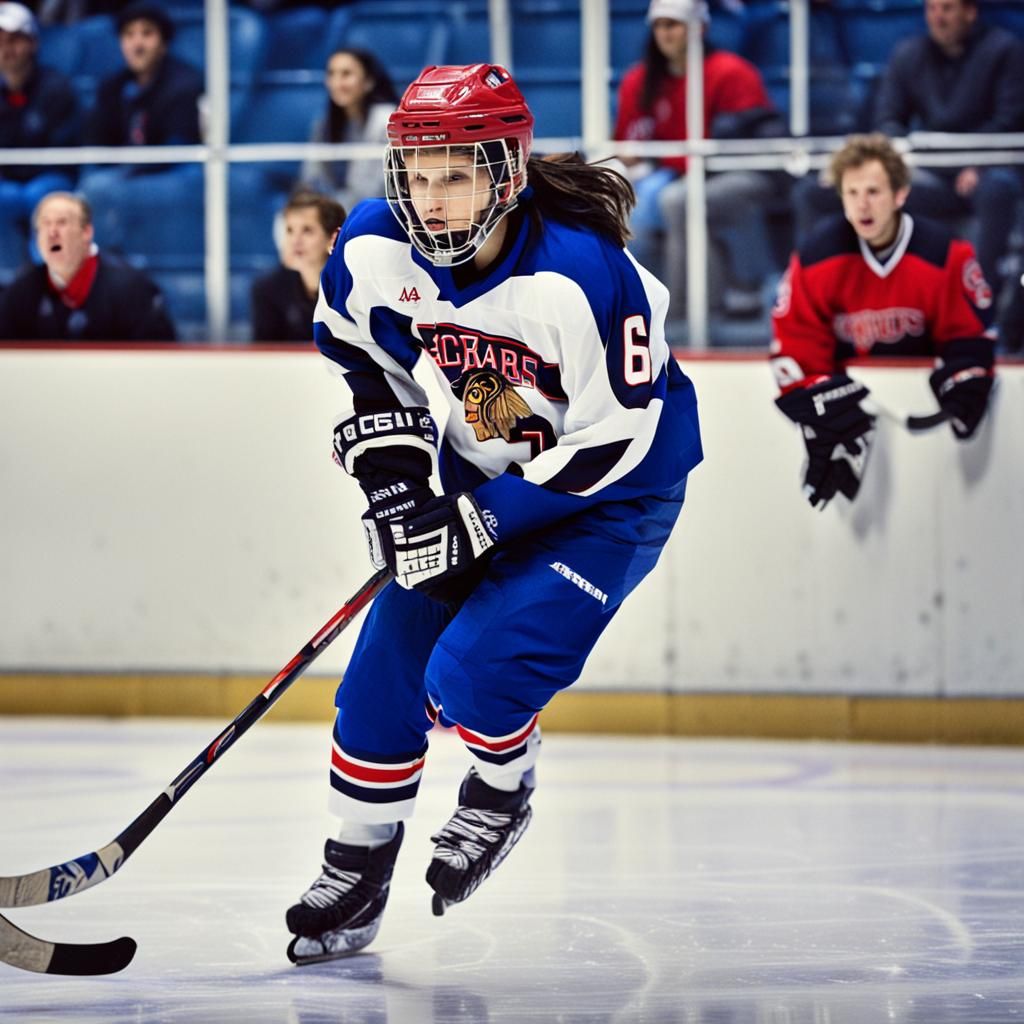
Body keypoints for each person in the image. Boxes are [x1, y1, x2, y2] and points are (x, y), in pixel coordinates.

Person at [284, 63, 703, 964]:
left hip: (609, 499)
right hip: (475, 474)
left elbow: (618, 437)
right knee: (381, 677)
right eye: (417, 174)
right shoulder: (372, 248)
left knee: (474, 675)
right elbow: (363, 362)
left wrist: (477, 522)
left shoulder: (584, 273)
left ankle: (501, 787)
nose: (430, 200)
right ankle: (356, 859)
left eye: (456, 175)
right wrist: (400, 485)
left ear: (506, 172)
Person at [771, 133, 996, 510]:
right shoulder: (816, 255)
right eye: (852, 192)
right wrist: (819, 396)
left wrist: (965, 373)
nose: (863, 204)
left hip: (931, 445)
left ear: (900, 194)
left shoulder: (944, 253)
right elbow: (794, 340)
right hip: (858, 424)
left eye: (874, 191)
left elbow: (970, 332)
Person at [793, 0, 1024, 312]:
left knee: (998, 189)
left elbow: (1010, 121)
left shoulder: (1005, 50)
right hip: (930, 165)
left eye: (947, 9)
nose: (938, 18)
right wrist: (892, 163)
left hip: (987, 165)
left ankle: (982, 307)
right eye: (932, 9)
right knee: (829, 191)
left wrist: (979, 164)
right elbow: (888, 120)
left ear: (970, 12)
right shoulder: (909, 53)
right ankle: (832, 302)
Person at [614, 0, 782, 321]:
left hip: (737, 172)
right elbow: (626, 142)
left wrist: (663, 161)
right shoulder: (639, 80)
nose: (665, 33)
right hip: (672, 174)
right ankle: (634, 311)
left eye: (673, 24)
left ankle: (689, 313)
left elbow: (744, 149)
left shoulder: (732, 72)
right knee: (630, 200)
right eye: (659, 25)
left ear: (699, 28)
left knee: (677, 200)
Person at [0, 190, 176, 340]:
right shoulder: (22, 289)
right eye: (45, 224)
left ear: (86, 232)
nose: (52, 232)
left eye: (62, 222)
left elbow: (158, 355)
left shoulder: (130, 287)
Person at [0, 2, 80, 269]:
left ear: (33, 43)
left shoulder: (57, 88)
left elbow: (63, 151)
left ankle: (47, 275)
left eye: (14, 40)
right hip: (8, 183)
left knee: (43, 200)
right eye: (0, 42)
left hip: (50, 178)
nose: (7, 49)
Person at [83, 2, 203, 166]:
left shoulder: (185, 86)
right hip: (123, 171)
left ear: (164, 44)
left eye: (147, 33)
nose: (137, 45)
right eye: (129, 35)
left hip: (171, 172)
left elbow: (176, 153)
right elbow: (97, 144)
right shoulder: (111, 88)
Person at [298, 47, 398, 212]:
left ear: (368, 82)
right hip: (333, 214)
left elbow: (374, 190)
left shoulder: (386, 120)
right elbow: (310, 179)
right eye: (331, 74)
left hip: (375, 214)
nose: (337, 83)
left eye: (346, 74)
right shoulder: (323, 125)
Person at [250, 188, 346, 343]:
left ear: (332, 238)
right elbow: (264, 353)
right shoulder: (267, 289)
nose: (295, 241)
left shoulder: (352, 287)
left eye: (307, 230)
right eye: (290, 230)